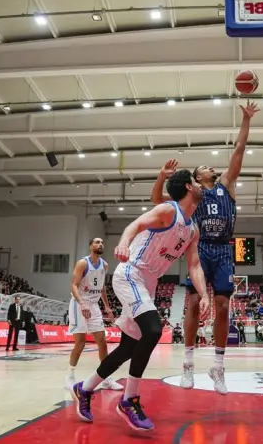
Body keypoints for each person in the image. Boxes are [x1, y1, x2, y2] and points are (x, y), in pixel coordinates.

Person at [72, 169, 210, 432]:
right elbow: (134, 225)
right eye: (196, 182)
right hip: (130, 274)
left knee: (126, 349)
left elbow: (194, 265)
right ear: (189, 188)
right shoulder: (169, 210)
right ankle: (129, 399)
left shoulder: (192, 229)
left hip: (149, 283)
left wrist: (204, 295)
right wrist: (124, 244)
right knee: (153, 330)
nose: (201, 185)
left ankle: (85, 388)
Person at [151, 100, 259, 394]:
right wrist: (162, 176)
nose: (212, 167)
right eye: (205, 167)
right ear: (197, 178)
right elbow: (158, 201)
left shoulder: (226, 184)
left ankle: (218, 366)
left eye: (212, 166)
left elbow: (238, 150)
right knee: (195, 303)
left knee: (223, 305)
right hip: (199, 249)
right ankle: (187, 363)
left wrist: (246, 120)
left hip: (224, 249)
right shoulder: (193, 195)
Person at [65, 238, 123, 392]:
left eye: (102, 242)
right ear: (91, 246)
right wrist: (82, 303)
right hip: (79, 304)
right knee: (81, 343)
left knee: (102, 342)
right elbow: (73, 286)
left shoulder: (104, 264)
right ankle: (70, 376)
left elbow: (102, 287)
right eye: (97, 242)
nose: (100, 244)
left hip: (95, 305)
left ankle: (106, 378)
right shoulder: (82, 263)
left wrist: (107, 307)